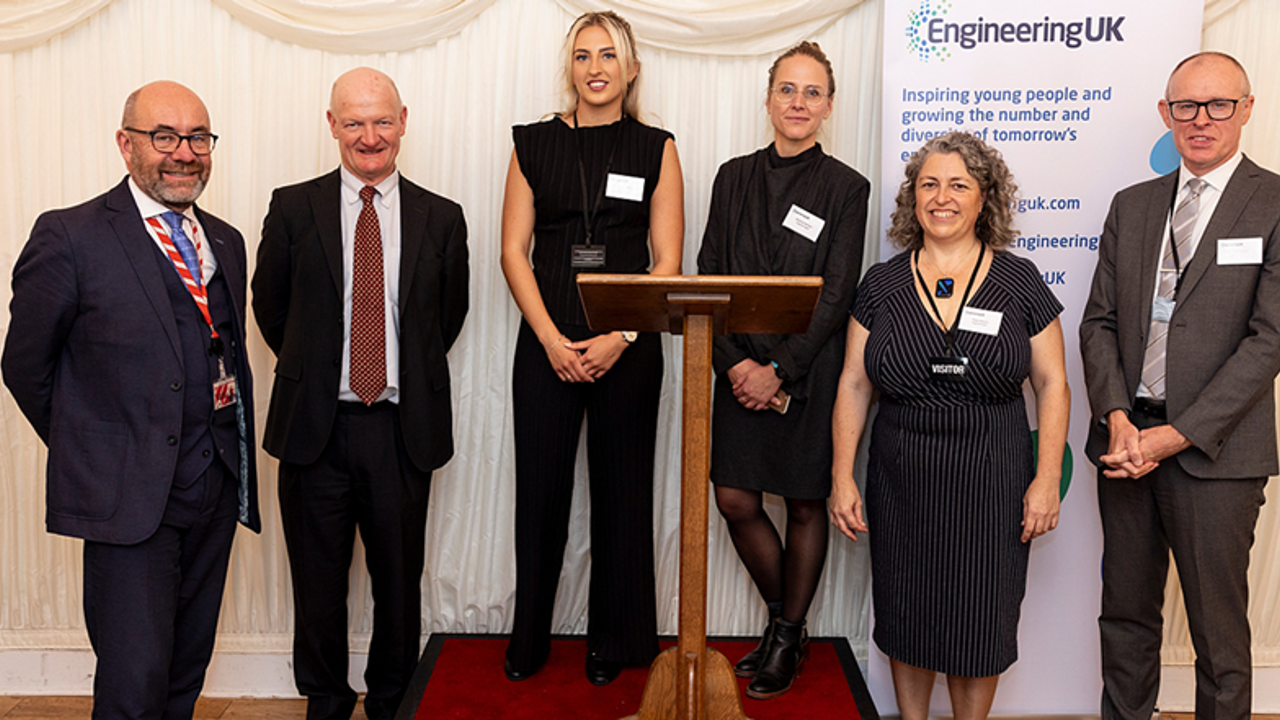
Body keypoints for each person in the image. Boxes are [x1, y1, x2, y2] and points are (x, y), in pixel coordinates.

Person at [2, 81, 259, 718]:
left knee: (185, 666)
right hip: (129, 499)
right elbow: (25, 366)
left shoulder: (225, 240)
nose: (184, 153)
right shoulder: (70, 236)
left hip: (215, 489)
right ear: (126, 144)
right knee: (134, 677)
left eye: (198, 137)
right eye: (164, 136)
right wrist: (95, 450)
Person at [251, 67, 469, 720]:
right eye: (353, 122)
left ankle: (394, 698)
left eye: (380, 121)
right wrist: (319, 369)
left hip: (403, 429)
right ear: (332, 125)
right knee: (317, 584)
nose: (368, 137)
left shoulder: (442, 216)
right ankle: (325, 698)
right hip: (315, 427)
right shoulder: (293, 208)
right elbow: (271, 307)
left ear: (403, 119)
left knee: (398, 582)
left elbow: (444, 318)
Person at [830, 131, 1068, 719]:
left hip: (992, 478)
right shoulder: (882, 285)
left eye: (959, 185)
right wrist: (842, 476)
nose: (942, 197)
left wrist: (1043, 481)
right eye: (929, 184)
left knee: (979, 621)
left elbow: (1053, 385)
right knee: (906, 609)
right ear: (914, 198)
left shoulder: (1019, 281)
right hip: (901, 477)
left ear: (984, 198)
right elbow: (855, 384)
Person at [1079, 51, 1279, 719]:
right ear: (1166, 114)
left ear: (1247, 108)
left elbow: (1269, 341)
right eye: (1186, 106)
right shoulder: (1132, 207)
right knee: (1126, 620)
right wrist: (1114, 415)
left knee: (1218, 638)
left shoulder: (1276, 203)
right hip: (1125, 443)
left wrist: (1177, 435)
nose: (1202, 119)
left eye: (1219, 104)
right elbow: (1098, 322)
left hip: (1214, 456)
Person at [499, 10, 683, 686]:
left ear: (631, 69)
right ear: (570, 68)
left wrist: (621, 336)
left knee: (623, 495)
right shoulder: (531, 143)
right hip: (545, 342)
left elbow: (667, 261)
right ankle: (530, 638)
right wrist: (551, 338)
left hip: (628, 350)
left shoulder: (657, 147)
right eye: (583, 56)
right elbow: (512, 252)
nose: (596, 67)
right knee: (539, 494)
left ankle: (617, 640)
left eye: (609, 55)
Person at [695, 41, 868, 700]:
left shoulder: (847, 187)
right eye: (788, 90)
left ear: (828, 106)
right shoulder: (731, 175)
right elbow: (708, 273)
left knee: (802, 502)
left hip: (807, 372)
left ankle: (786, 635)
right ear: (769, 99)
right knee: (735, 498)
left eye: (813, 92)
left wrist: (778, 370)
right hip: (736, 365)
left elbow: (836, 292)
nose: (799, 103)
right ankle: (785, 626)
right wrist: (736, 363)